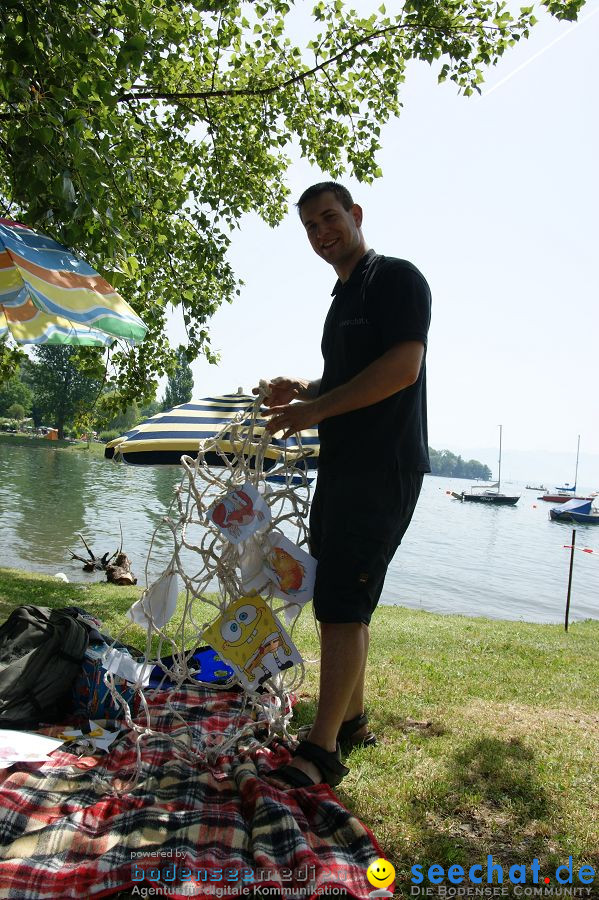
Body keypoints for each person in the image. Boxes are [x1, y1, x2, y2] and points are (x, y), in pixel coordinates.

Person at [258, 181, 431, 789]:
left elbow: (401, 369)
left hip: (383, 466)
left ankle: (322, 750)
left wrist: (314, 413)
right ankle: (352, 717)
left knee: (342, 602)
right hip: (342, 465)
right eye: (309, 226)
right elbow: (345, 380)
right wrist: (302, 390)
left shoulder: (396, 278)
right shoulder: (342, 297)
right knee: (338, 591)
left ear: (356, 216)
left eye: (329, 218)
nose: (320, 232)